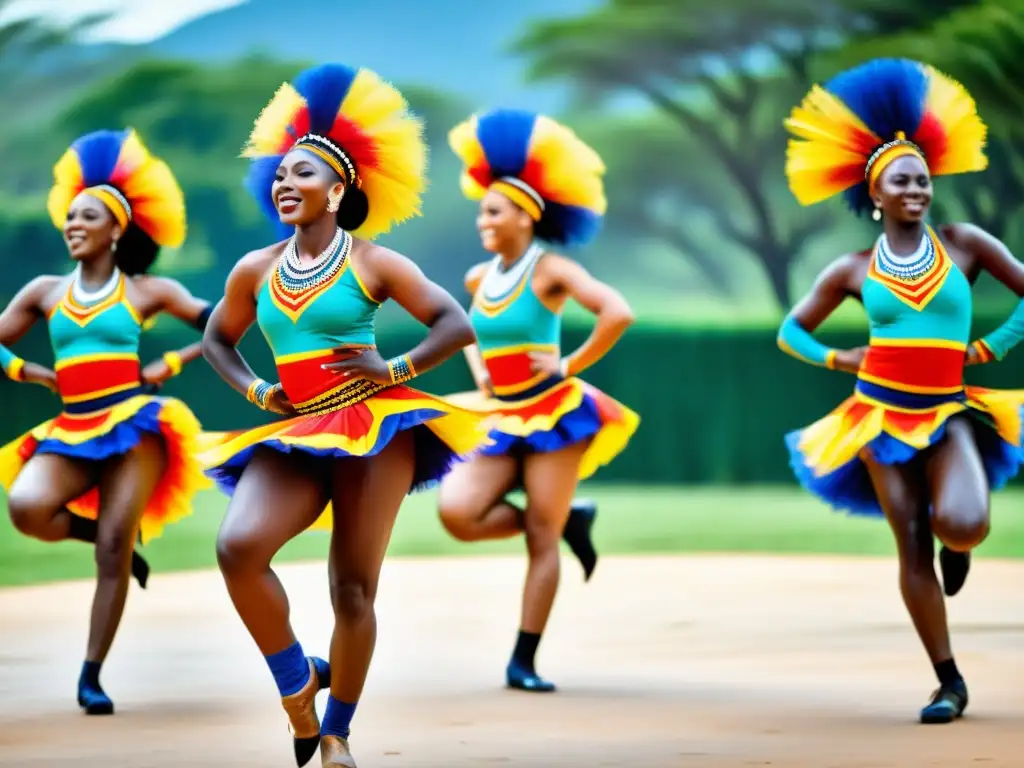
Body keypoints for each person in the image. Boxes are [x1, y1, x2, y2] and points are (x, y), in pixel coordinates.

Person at [197, 63, 494, 768]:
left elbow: (454, 324)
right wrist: (256, 391)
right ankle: (296, 686)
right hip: (295, 432)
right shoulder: (254, 268)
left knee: (352, 588)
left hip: (372, 431)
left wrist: (395, 370)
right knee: (238, 548)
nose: (283, 183)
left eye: (300, 173)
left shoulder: (374, 262)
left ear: (338, 189)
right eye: (278, 175)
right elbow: (216, 338)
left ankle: (336, 733)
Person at [778, 57, 1024, 724]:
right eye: (901, 181)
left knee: (964, 522)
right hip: (878, 419)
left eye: (922, 178)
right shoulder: (853, 269)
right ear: (875, 195)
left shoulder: (964, 245)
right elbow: (790, 332)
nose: (916, 188)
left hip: (951, 412)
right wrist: (837, 356)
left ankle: (959, 546)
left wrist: (992, 346)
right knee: (910, 540)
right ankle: (948, 681)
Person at [0, 128, 213, 715]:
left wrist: (172, 360)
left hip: (134, 426)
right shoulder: (44, 291)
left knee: (115, 547)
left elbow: (223, 323)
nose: (72, 224)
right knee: (26, 507)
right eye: (69, 216)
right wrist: (31, 373)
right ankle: (107, 542)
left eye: (86, 216)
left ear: (115, 229)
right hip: (70, 427)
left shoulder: (149, 290)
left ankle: (91, 675)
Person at [437, 108, 640, 693]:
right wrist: (479, 370)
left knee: (539, 540)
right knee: (458, 512)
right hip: (499, 413)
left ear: (525, 216)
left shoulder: (551, 269)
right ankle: (570, 518)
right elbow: (470, 332)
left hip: (552, 412)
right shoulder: (479, 278)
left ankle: (522, 659)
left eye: (494, 211)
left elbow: (617, 311)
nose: (483, 219)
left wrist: (568, 363)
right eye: (481, 210)